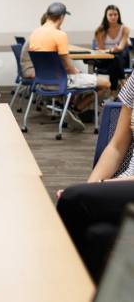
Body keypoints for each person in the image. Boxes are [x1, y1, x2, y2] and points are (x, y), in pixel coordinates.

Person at [56, 75, 134, 282]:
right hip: (125, 184)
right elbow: (116, 147)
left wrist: (97, 190)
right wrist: (92, 188)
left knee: (73, 199)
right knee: (98, 235)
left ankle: (58, 286)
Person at [28, 2, 110, 128]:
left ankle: (71, 109)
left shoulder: (34, 34)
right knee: (105, 83)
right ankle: (75, 110)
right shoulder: (60, 35)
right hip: (61, 83)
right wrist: (78, 73)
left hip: (42, 83)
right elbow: (68, 67)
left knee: (81, 79)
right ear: (61, 17)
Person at [94, 5, 130, 93]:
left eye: (115, 14)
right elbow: (101, 50)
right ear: (106, 16)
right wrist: (110, 51)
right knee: (115, 58)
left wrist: (115, 50)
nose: (113, 17)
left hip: (119, 58)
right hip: (105, 58)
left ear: (119, 15)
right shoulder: (100, 30)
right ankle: (122, 81)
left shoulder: (125, 29)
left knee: (116, 57)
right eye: (110, 15)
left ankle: (113, 92)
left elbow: (121, 47)